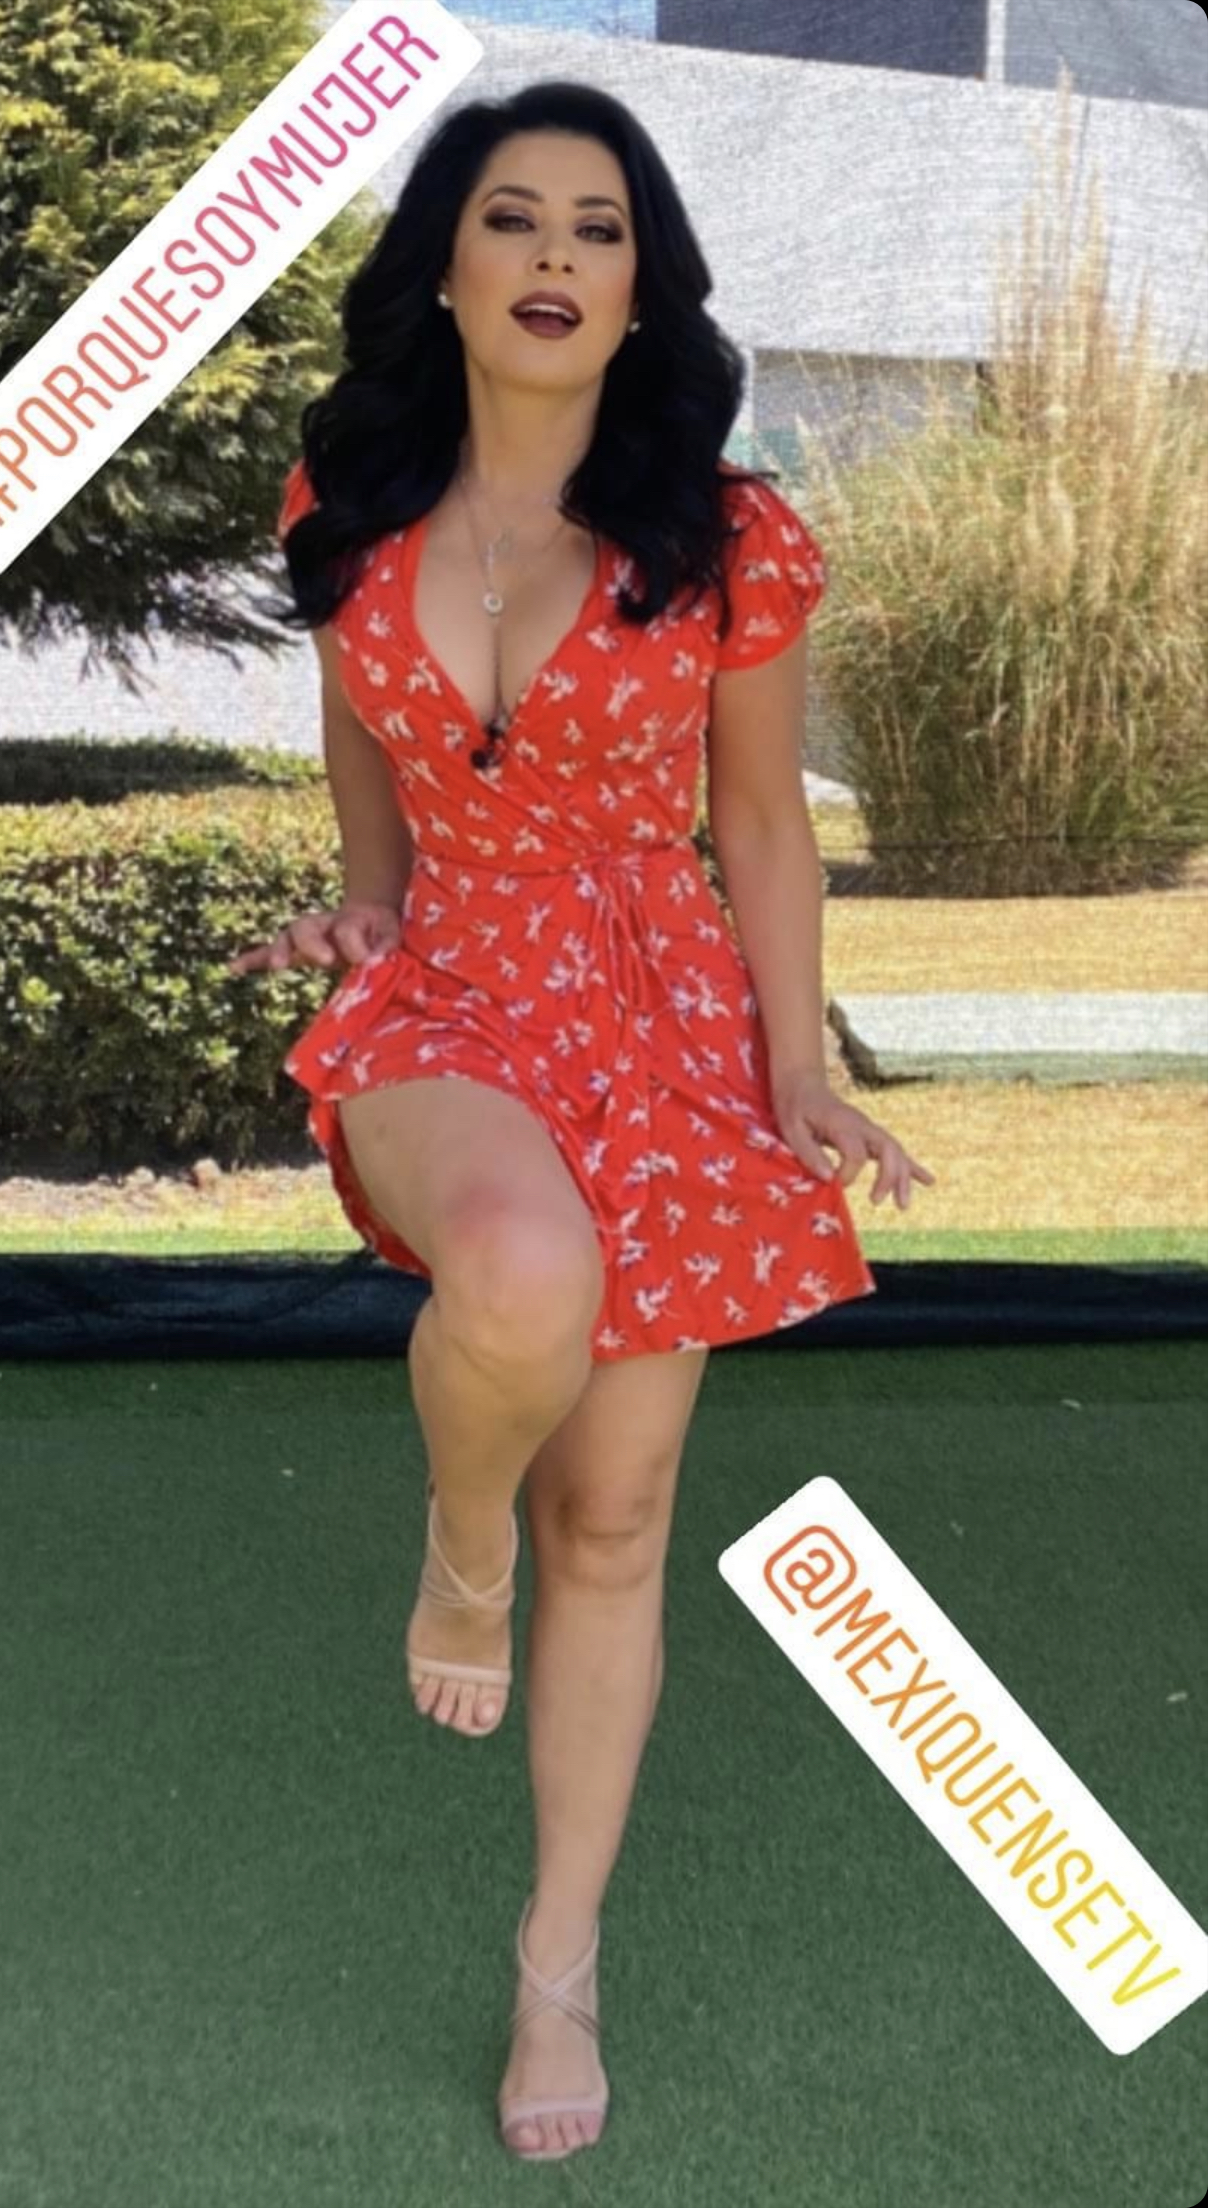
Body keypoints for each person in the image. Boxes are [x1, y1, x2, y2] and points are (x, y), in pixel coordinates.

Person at [235, 79, 934, 2164]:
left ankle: (559, 1961)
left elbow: (763, 829)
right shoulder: (345, 505)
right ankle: (460, 1562)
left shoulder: (723, 538)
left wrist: (793, 1072)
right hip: (448, 998)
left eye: (599, 228)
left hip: (662, 1021)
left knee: (615, 1521)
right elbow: (369, 780)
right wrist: (362, 913)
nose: (555, 254)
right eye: (514, 217)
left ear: (640, 292)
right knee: (518, 1273)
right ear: (444, 269)